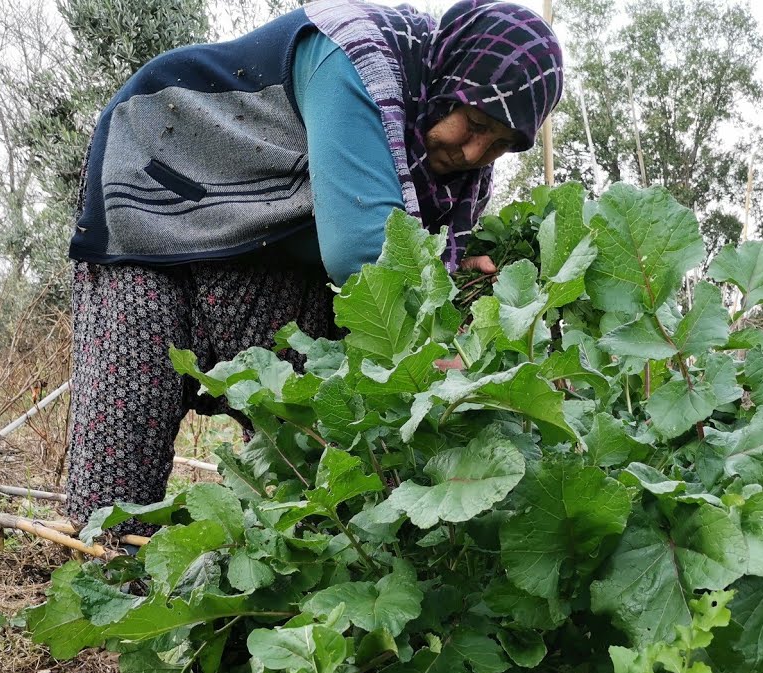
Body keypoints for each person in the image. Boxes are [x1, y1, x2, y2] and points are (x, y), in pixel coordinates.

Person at [65, 0, 564, 536]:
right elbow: (363, 253)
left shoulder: (454, 163)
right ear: (448, 83)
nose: (473, 152)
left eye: (501, 145)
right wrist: (447, 356)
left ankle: (314, 542)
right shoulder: (358, 55)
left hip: (270, 233)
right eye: (475, 123)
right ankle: (103, 555)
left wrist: (460, 276)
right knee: (133, 396)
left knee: (301, 401)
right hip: (161, 173)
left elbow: (420, 250)